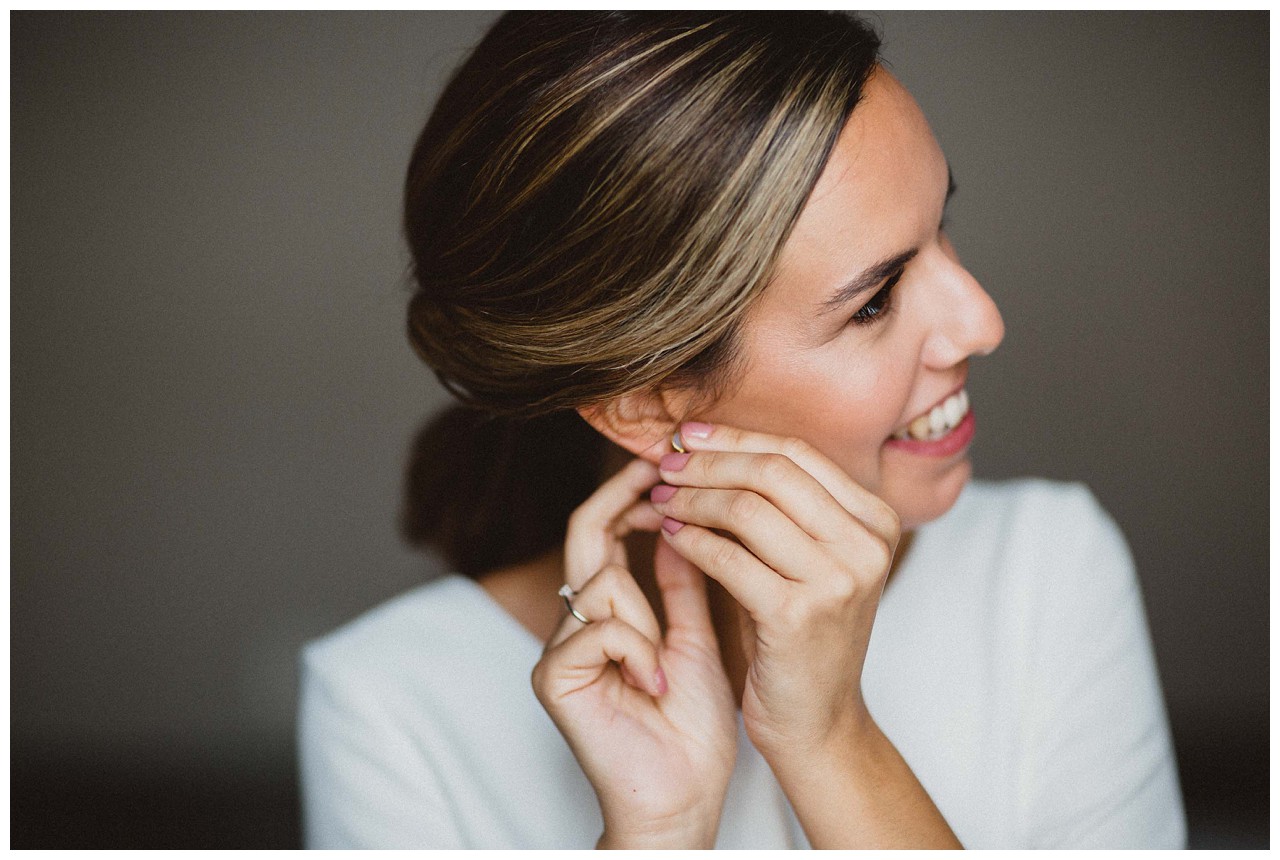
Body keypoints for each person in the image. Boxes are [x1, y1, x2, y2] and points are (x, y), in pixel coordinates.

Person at [297, 12, 1185, 849]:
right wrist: (658, 835)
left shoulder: (1047, 570)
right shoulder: (388, 705)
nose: (982, 322)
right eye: (875, 301)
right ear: (644, 405)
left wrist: (832, 740)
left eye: (942, 230)